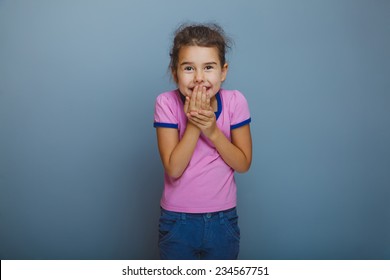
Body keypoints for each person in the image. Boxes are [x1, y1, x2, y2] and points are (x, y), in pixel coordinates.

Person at [153, 23, 252, 260]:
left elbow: (243, 164)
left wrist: (213, 131)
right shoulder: (165, 104)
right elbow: (174, 168)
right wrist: (195, 124)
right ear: (175, 72)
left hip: (222, 219)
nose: (199, 78)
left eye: (208, 67)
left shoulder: (235, 102)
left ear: (223, 71)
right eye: (189, 68)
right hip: (178, 220)